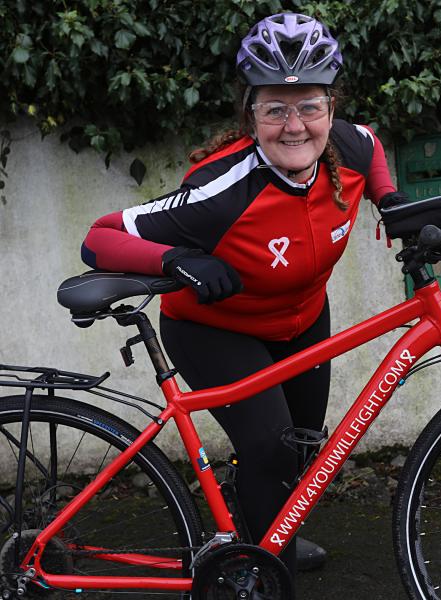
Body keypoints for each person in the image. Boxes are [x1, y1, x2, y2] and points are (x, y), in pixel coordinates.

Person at [81, 12, 403, 581]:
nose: (295, 125)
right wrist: (178, 260)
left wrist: (390, 203)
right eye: (275, 108)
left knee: (303, 448)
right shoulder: (221, 189)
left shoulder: (346, 147)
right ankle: (261, 573)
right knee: (271, 446)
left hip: (301, 319)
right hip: (214, 330)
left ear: (331, 107)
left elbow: (373, 147)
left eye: (310, 105)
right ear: (250, 114)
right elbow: (99, 237)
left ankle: (267, 539)